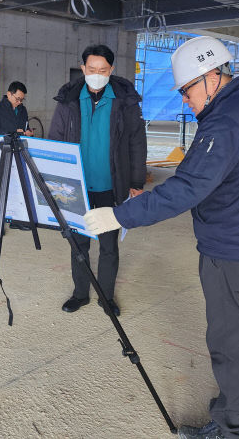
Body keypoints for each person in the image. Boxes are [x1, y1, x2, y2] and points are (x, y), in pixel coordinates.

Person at [84, 36, 239, 439]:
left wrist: (118, 215)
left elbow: (185, 189)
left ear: (213, 77)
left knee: (233, 346)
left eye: (187, 90)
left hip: (235, 254)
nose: (184, 100)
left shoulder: (226, 123)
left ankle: (234, 430)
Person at [49, 44, 147, 317]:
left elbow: (137, 142)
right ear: (83, 68)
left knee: (108, 246)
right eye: (91, 69)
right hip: (75, 186)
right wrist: (55, 180)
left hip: (110, 186)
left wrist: (137, 182)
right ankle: (80, 294)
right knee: (78, 243)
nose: (97, 74)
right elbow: (55, 141)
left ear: (111, 70)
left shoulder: (125, 101)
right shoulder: (68, 100)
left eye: (103, 70)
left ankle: (106, 297)